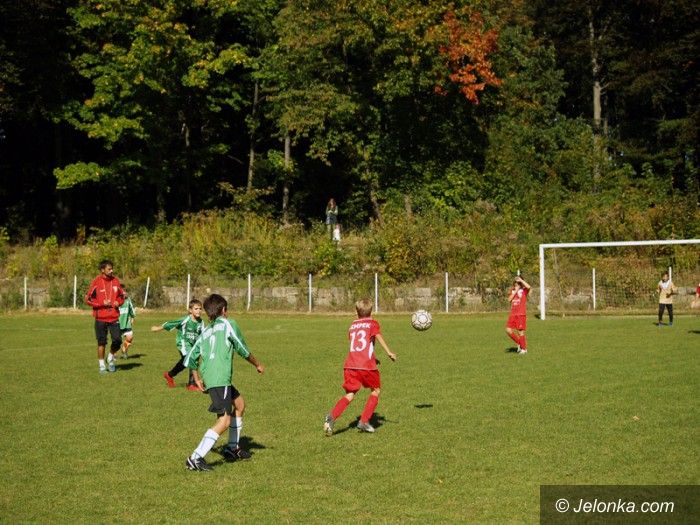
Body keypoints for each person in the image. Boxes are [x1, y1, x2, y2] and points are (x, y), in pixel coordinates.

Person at [183, 293, 265, 471]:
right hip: (220, 378)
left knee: (240, 405)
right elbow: (242, 348)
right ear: (224, 310)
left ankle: (232, 448)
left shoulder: (205, 331)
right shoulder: (228, 324)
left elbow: (191, 357)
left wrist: (196, 378)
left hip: (213, 378)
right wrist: (257, 364)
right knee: (224, 420)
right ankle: (195, 457)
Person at [323, 298, 397, 436]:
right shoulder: (373, 323)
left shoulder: (352, 325)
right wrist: (389, 352)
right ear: (371, 311)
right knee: (376, 390)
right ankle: (363, 421)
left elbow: (359, 346)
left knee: (350, 394)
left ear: (356, 311)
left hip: (350, 365)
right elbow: (378, 336)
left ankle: (331, 417)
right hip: (366, 366)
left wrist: (373, 357)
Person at [151, 299, 203, 391]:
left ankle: (170, 375)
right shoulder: (185, 320)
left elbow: (203, 334)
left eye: (200, 309)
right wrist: (158, 328)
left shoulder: (201, 322)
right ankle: (191, 384)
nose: (198, 311)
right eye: (196, 309)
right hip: (183, 343)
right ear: (190, 310)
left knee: (185, 362)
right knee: (191, 358)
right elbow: (172, 323)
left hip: (193, 345)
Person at [85, 259, 125, 374]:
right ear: (103, 270)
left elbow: (122, 296)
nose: (112, 271)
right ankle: (102, 365)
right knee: (101, 342)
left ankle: (110, 357)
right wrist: (101, 303)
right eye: (109, 269)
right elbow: (88, 299)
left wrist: (118, 302)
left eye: (112, 268)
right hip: (100, 318)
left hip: (113, 317)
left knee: (118, 340)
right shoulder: (96, 282)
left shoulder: (116, 281)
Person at [505, 276, 531, 355]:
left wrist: (521, 280)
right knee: (508, 330)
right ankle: (520, 343)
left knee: (520, 332)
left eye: (518, 283)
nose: (516, 284)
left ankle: (524, 349)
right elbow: (509, 299)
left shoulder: (524, 290)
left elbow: (529, 287)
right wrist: (515, 290)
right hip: (513, 314)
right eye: (515, 283)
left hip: (520, 314)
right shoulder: (513, 291)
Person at [118, 285, 136, 359]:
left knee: (129, 338)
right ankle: (112, 356)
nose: (125, 293)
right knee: (116, 342)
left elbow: (131, 309)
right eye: (123, 291)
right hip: (117, 324)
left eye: (125, 291)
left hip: (126, 323)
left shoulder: (128, 300)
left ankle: (124, 350)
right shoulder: (116, 301)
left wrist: (133, 317)